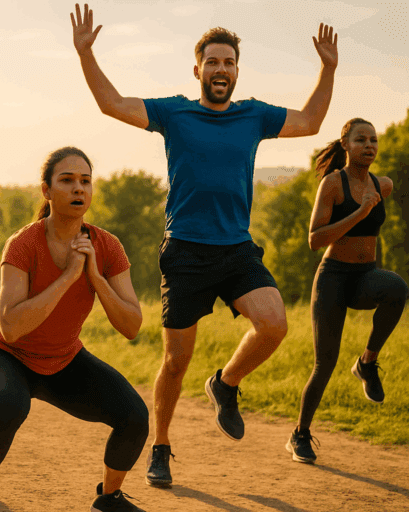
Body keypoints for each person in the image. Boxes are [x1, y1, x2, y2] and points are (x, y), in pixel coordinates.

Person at [70, 3, 339, 486]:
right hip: (186, 251)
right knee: (175, 361)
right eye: (212, 62)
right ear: (198, 69)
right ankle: (161, 445)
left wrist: (328, 68)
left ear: (237, 71)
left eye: (228, 62)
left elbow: (312, 121)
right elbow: (112, 104)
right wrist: (87, 55)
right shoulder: (174, 111)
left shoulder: (254, 116)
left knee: (274, 324)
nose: (221, 69)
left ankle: (226, 382)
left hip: (236, 248)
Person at [0, 147, 149, 512]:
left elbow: (132, 326)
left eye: (85, 181)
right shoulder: (23, 244)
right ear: (46, 190)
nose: (78, 189)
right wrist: (69, 276)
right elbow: (10, 327)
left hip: (63, 360)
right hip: (6, 357)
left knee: (134, 416)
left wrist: (95, 278)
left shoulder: (107, 246)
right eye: (67, 180)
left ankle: (109, 498)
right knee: (10, 405)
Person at [286, 119, 408, 464]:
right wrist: (361, 211)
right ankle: (300, 434)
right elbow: (314, 240)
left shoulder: (381, 184)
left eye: (374, 139)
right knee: (324, 363)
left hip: (364, 276)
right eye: (361, 140)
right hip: (334, 279)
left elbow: (373, 232)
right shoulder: (332, 185)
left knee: (397, 288)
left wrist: (372, 262)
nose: (369, 145)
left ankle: (367, 364)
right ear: (346, 144)